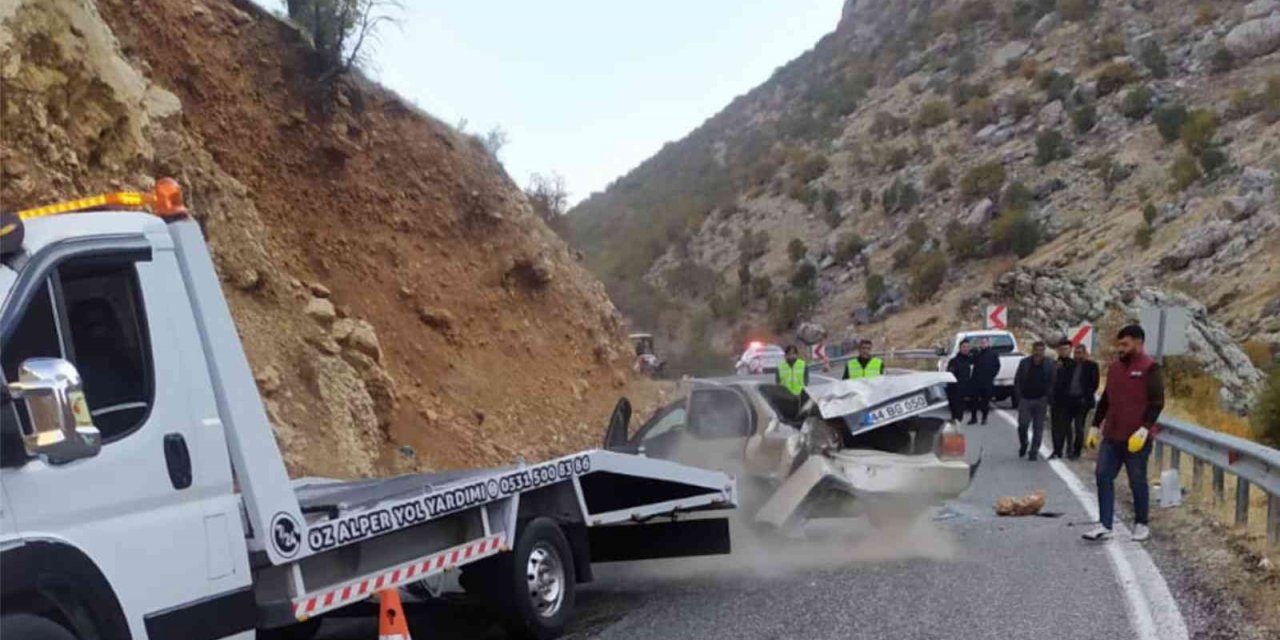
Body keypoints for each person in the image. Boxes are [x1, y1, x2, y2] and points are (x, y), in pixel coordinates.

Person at [1083, 325, 1163, 543]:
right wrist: (1095, 425)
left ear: (1139, 343)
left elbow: (1157, 403)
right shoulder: (1115, 368)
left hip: (1136, 437)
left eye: (1125, 344)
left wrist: (1145, 428)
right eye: (1119, 344)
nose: (1121, 348)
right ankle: (1104, 524)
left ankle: (1141, 523)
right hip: (1112, 435)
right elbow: (1106, 399)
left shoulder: (1150, 368)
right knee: (1102, 475)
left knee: (1137, 480)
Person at [1013, 341, 1055, 461]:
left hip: (1041, 399)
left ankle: (1034, 450)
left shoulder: (1049, 364)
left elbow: (1053, 381)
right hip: (1025, 399)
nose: (1038, 353)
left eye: (1041, 350)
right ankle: (1024, 443)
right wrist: (1018, 397)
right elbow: (1017, 380)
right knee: (1023, 425)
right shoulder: (1024, 363)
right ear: (1033, 351)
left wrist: (1048, 397)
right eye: (1036, 350)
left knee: (1038, 427)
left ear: (1044, 351)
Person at [1067, 343, 1100, 459]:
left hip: (1082, 401)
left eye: (1080, 353)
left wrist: (1085, 397)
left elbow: (1094, 384)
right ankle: (1068, 448)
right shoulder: (1070, 365)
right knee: (1067, 426)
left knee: (1078, 426)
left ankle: (1076, 450)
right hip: (1070, 400)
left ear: (1085, 354)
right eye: (1076, 353)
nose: (1077, 355)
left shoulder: (1092, 366)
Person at [1048, 339, 1075, 459]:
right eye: (1061, 349)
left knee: (1067, 426)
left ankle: (1069, 449)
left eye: (1066, 349)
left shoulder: (1074, 365)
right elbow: (1049, 380)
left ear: (1070, 350)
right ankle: (1056, 450)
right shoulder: (1053, 364)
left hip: (1069, 400)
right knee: (1055, 426)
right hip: (1055, 399)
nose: (1063, 352)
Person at [946, 339, 976, 422]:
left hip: (964, 392)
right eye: (964, 347)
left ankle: (955, 433)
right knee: (956, 417)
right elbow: (949, 377)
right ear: (960, 348)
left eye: (967, 347)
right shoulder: (954, 361)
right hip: (954, 393)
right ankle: (954, 434)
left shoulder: (970, 360)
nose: (966, 349)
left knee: (960, 417)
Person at [971, 337, 1000, 424]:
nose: (983, 344)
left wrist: (992, 375)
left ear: (988, 343)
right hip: (976, 381)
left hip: (987, 381)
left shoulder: (993, 354)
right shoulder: (977, 353)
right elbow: (971, 363)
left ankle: (984, 418)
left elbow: (997, 366)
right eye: (981, 343)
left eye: (984, 343)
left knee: (985, 401)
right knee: (974, 401)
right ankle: (974, 418)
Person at [776, 345, 809, 419]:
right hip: (785, 397)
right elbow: (777, 383)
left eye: (793, 354)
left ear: (797, 355)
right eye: (789, 354)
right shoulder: (780, 367)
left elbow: (806, 381)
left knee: (799, 418)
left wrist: (803, 393)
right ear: (786, 355)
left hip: (799, 397)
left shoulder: (803, 365)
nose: (791, 356)